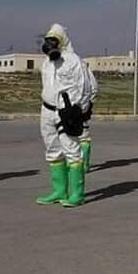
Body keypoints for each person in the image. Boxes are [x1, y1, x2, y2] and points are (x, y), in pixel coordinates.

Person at [36, 24, 90, 207]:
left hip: (65, 111)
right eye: (48, 40)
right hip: (47, 110)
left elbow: (84, 87)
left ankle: (77, 194)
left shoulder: (73, 61)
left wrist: (79, 111)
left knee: (71, 149)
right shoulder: (47, 62)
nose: (51, 44)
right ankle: (59, 191)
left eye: (55, 40)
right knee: (52, 149)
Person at [79, 61, 98, 174]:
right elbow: (94, 88)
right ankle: (84, 164)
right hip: (83, 107)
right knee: (83, 136)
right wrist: (89, 102)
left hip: (67, 108)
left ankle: (73, 164)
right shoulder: (85, 70)